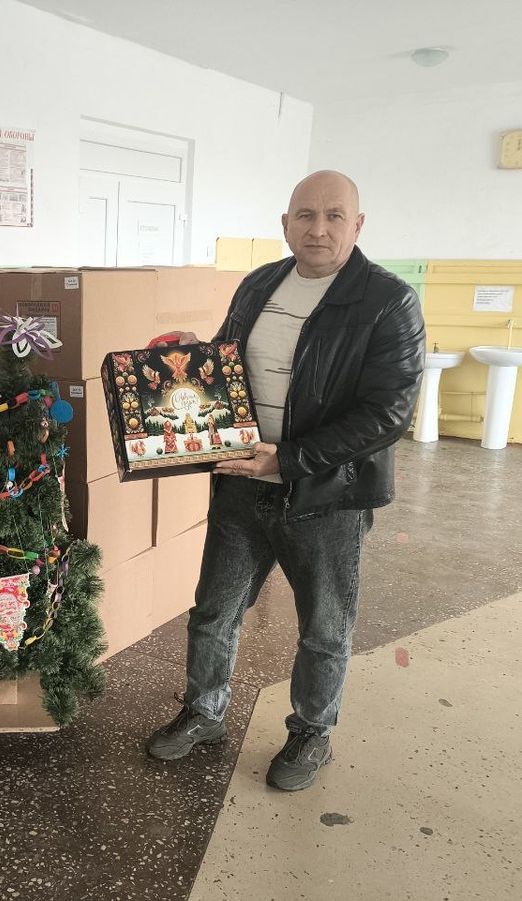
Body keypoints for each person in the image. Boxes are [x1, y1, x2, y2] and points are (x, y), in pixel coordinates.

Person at [146, 171, 425, 791]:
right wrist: (195, 355)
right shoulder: (259, 283)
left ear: (357, 225)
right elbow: (229, 365)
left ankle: (312, 733)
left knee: (324, 628)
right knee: (214, 611)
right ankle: (204, 712)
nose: (318, 228)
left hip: (327, 494)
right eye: (305, 215)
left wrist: (291, 459)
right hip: (243, 482)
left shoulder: (388, 301)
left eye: (333, 216)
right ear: (285, 223)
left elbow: (389, 413)